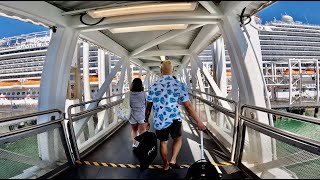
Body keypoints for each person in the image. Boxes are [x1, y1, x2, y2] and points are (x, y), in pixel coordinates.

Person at [145, 60, 206, 171]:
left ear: (160, 70)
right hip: (174, 118)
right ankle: (173, 160)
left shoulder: (153, 86)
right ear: (173, 70)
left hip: (160, 120)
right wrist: (199, 121)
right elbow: (188, 106)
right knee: (178, 139)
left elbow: (148, 105)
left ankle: (166, 164)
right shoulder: (179, 85)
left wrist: (146, 120)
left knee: (163, 142)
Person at [129, 78, 147, 148]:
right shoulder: (144, 94)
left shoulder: (129, 94)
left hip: (132, 115)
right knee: (141, 131)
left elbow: (127, 105)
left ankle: (134, 144)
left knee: (134, 130)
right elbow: (146, 104)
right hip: (141, 115)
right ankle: (141, 145)